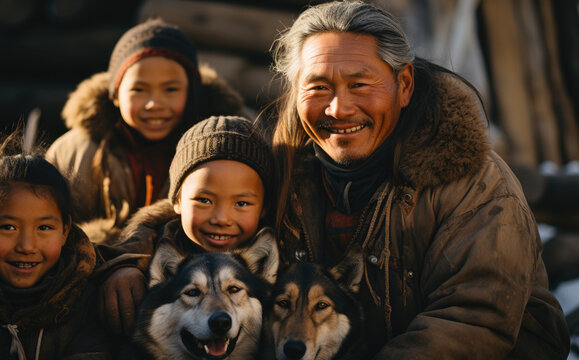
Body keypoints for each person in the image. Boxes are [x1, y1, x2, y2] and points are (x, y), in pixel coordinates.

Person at [266, 1, 569, 358]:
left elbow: (473, 318)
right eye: (318, 87)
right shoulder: (281, 177)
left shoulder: (473, 182)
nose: (338, 108)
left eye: (360, 84)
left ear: (404, 85)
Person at [46, 19, 246, 244]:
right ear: (114, 95)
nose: (154, 104)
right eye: (138, 90)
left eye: (171, 89)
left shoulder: (227, 148)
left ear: (193, 94)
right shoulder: (75, 152)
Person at [0, 134, 115, 359]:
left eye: (44, 228)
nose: (27, 246)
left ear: (65, 231)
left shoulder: (85, 300)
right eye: (9, 228)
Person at [98, 115, 274, 334]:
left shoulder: (275, 260)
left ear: (264, 208)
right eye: (204, 200)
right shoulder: (140, 264)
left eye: (241, 203)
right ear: (177, 201)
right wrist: (119, 267)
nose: (221, 219)